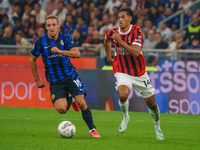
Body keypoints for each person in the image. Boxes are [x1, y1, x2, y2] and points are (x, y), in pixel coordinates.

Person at [29, 15, 100, 137]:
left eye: (54, 25)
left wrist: (61, 51)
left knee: (82, 103)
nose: (51, 27)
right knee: (61, 110)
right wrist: (36, 79)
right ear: (46, 27)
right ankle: (71, 99)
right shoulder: (40, 42)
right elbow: (32, 59)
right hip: (55, 80)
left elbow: (77, 54)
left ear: (58, 26)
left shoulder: (65, 38)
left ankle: (92, 129)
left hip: (70, 76)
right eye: (49, 25)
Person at [104, 8, 164, 140]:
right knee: (123, 94)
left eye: (123, 17)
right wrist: (109, 57)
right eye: (119, 17)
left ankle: (157, 126)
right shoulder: (113, 32)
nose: (120, 19)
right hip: (122, 70)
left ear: (130, 18)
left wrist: (120, 41)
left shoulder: (136, 31)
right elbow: (106, 40)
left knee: (152, 103)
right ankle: (126, 117)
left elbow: (136, 52)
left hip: (139, 72)